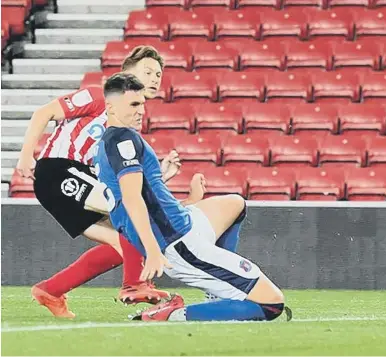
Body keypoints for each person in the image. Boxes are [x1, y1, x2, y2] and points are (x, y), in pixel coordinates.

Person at [94, 72, 291, 322]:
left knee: (235, 204)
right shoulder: (123, 140)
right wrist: (153, 252)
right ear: (110, 106)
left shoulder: (106, 143)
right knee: (271, 304)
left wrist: (189, 199)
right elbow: (133, 200)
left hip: (181, 221)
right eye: (133, 104)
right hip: (178, 242)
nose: (141, 110)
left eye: (143, 103)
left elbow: (143, 195)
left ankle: (216, 292)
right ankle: (172, 315)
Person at [16, 46, 175, 318]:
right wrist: (25, 156)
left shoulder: (128, 121)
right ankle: (135, 285)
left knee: (125, 240)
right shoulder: (97, 96)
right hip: (59, 170)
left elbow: (119, 173)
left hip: (76, 181)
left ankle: (51, 289)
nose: (154, 79)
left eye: (158, 74)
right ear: (127, 71)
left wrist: (161, 176)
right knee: (132, 216)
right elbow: (43, 113)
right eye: (147, 71)